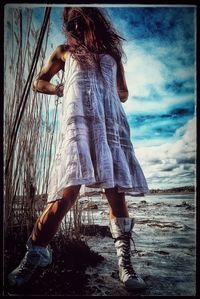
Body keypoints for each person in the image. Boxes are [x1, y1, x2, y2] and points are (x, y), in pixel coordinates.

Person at [8, 7, 149, 291]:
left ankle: (125, 265)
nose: (73, 26)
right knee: (65, 194)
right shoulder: (63, 52)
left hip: (110, 126)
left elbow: (123, 93)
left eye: (78, 20)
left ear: (92, 21)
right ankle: (33, 257)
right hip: (78, 124)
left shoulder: (112, 55)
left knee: (116, 193)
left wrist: (107, 91)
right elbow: (39, 82)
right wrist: (60, 90)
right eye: (69, 22)